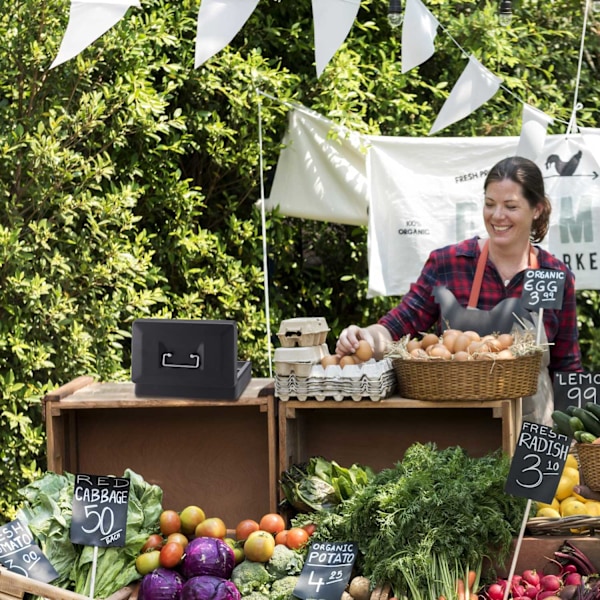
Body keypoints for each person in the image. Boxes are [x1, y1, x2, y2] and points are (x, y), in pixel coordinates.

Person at [336, 156, 583, 424]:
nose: (497, 215)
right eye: (490, 204)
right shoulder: (449, 264)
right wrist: (365, 337)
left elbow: (567, 366)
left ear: (537, 209)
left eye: (510, 206)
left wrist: (577, 433)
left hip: (532, 432)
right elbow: (399, 324)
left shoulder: (552, 275)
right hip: (458, 431)